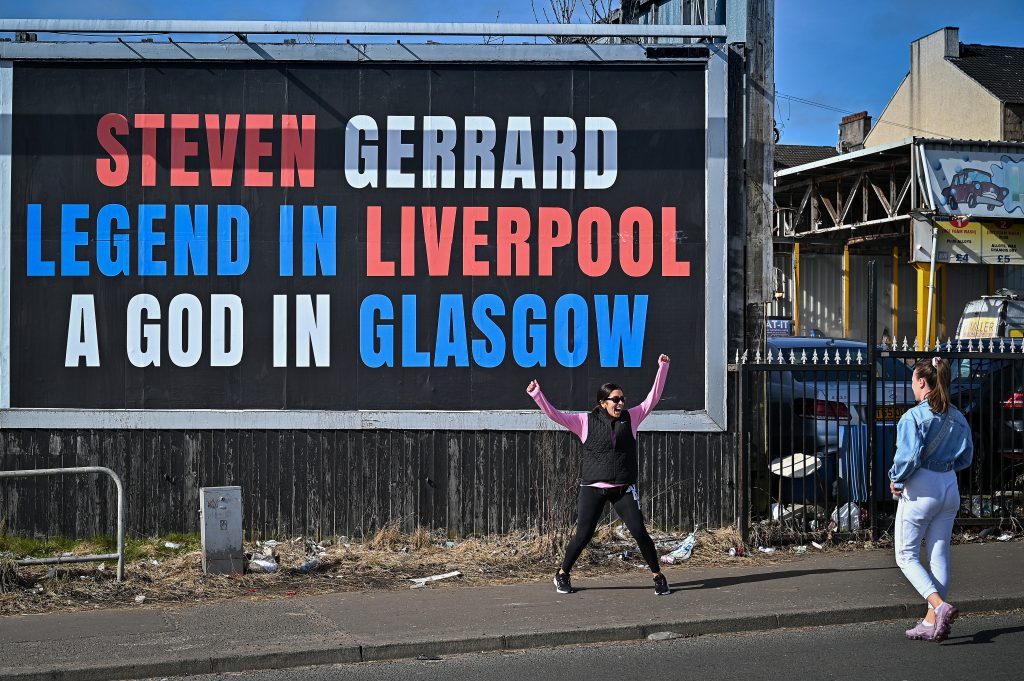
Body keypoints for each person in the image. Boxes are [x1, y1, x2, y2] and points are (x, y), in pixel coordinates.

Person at [526, 354, 672, 596]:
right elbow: (555, 415)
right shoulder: (585, 421)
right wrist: (537, 396)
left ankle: (658, 576)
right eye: (616, 400)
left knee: (639, 532)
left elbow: (652, 398)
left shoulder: (631, 418)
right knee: (583, 535)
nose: (621, 403)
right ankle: (562, 573)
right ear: (603, 402)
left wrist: (663, 367)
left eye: (623, 399)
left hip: (623, 488)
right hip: (592, 487)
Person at [888, 357, 973, 642]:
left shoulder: (912, 417)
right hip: (948, 485)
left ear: (922, 382)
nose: (912, 387)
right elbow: (966, 457)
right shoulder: (958, 417)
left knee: (906, 555)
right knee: (939, 554)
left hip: (921, 487)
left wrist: (896, 478)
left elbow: (909, 457)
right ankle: (929, 622)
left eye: (913, 381)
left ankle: (939, 606)